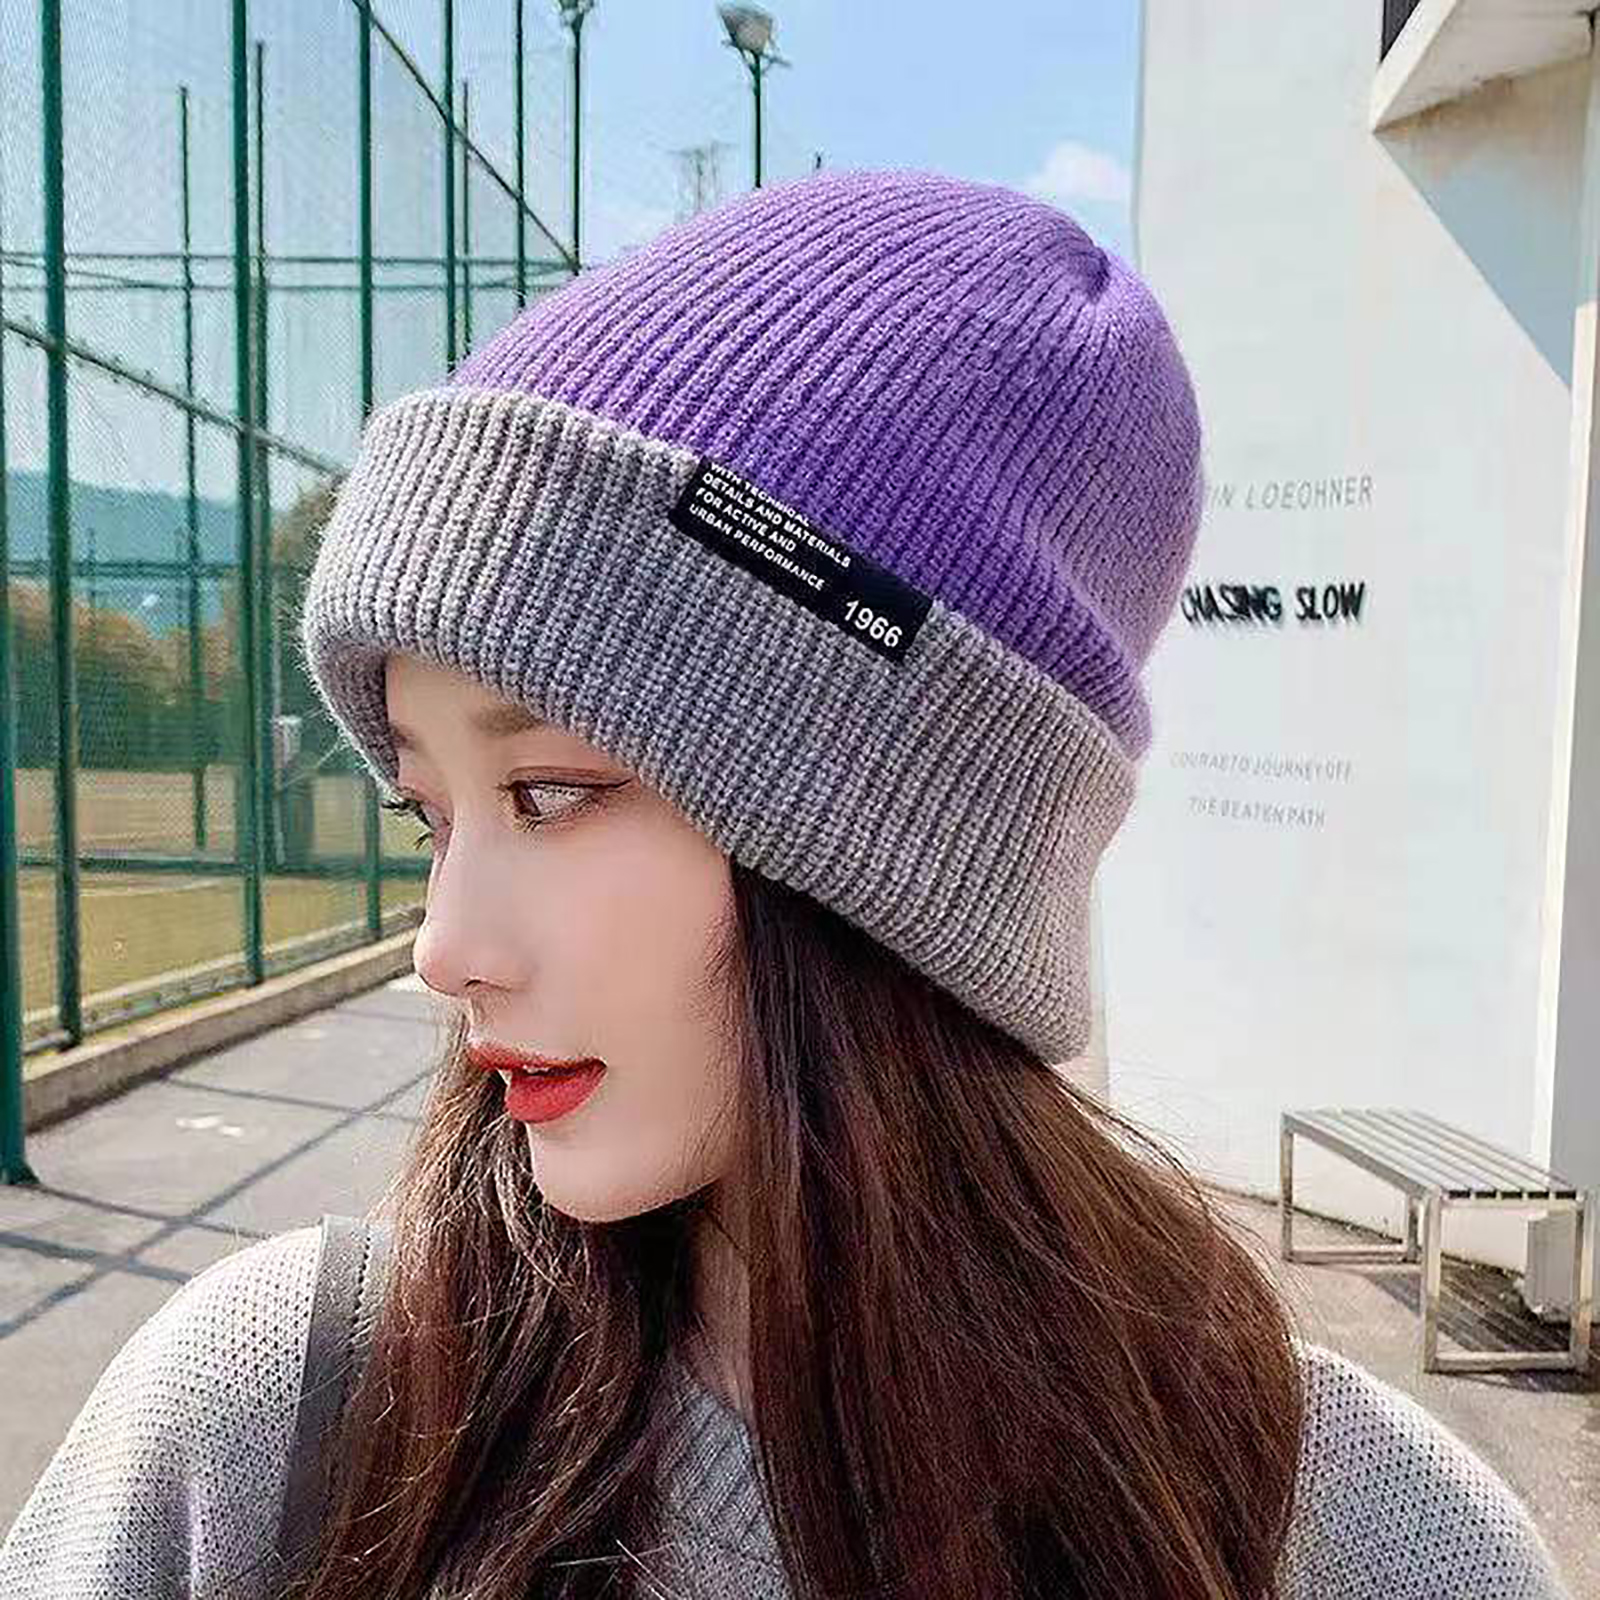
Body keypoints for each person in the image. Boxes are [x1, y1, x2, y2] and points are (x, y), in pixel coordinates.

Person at [0, 168, 1576, 1600]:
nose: (445, 949)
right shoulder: (279, 1421)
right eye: (430, 814)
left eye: (553, 792)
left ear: (897, 853)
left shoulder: (1355, 1531)